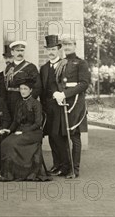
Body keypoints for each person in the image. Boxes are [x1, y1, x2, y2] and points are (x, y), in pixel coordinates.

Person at [50, 34, 90, 178]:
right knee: (62, 136)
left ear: (74, 46)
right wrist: (56, 93)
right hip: (62, 102)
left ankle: (75, 170)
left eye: (69, 45)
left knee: (75, 136)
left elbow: (84, 84)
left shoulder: (81, 63)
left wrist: (65, 94)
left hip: (75, 103)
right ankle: (66, 167)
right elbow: (55, 81)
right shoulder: (62, 63)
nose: (67, 47)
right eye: (65, 45)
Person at [0, 79, 49, 181]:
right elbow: (15, 121)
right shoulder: (19, 102)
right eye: (21, 89)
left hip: (34, 132)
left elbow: (38, 123)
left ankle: (22, 173)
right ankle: (11, 173)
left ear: (30, 90)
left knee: (13, 143)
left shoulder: (36, 104)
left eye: (25, 89)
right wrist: (9, 130)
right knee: (5, 142)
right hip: (20, 130)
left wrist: (24, 131)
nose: (23, 91)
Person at [39, 34, 65, 174]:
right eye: (49, 49)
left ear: (58, 50)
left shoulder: (64, 65)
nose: (51, 52)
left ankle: (64, 165)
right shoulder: (43, 68)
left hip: (60, 106)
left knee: (58, 135)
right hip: (47, 106)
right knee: (51, 136)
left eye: (54, 49)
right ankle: (57, 164)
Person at [0, 41, 41, 119]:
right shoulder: (7, 68)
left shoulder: (31, 67)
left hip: (24, 101)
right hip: (9, 102)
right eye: (17, 51)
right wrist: (3, 103)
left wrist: (29, 102)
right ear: (12, 52)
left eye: (22, 51)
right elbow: (3, 87)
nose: (20, 53)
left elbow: (37, 87)